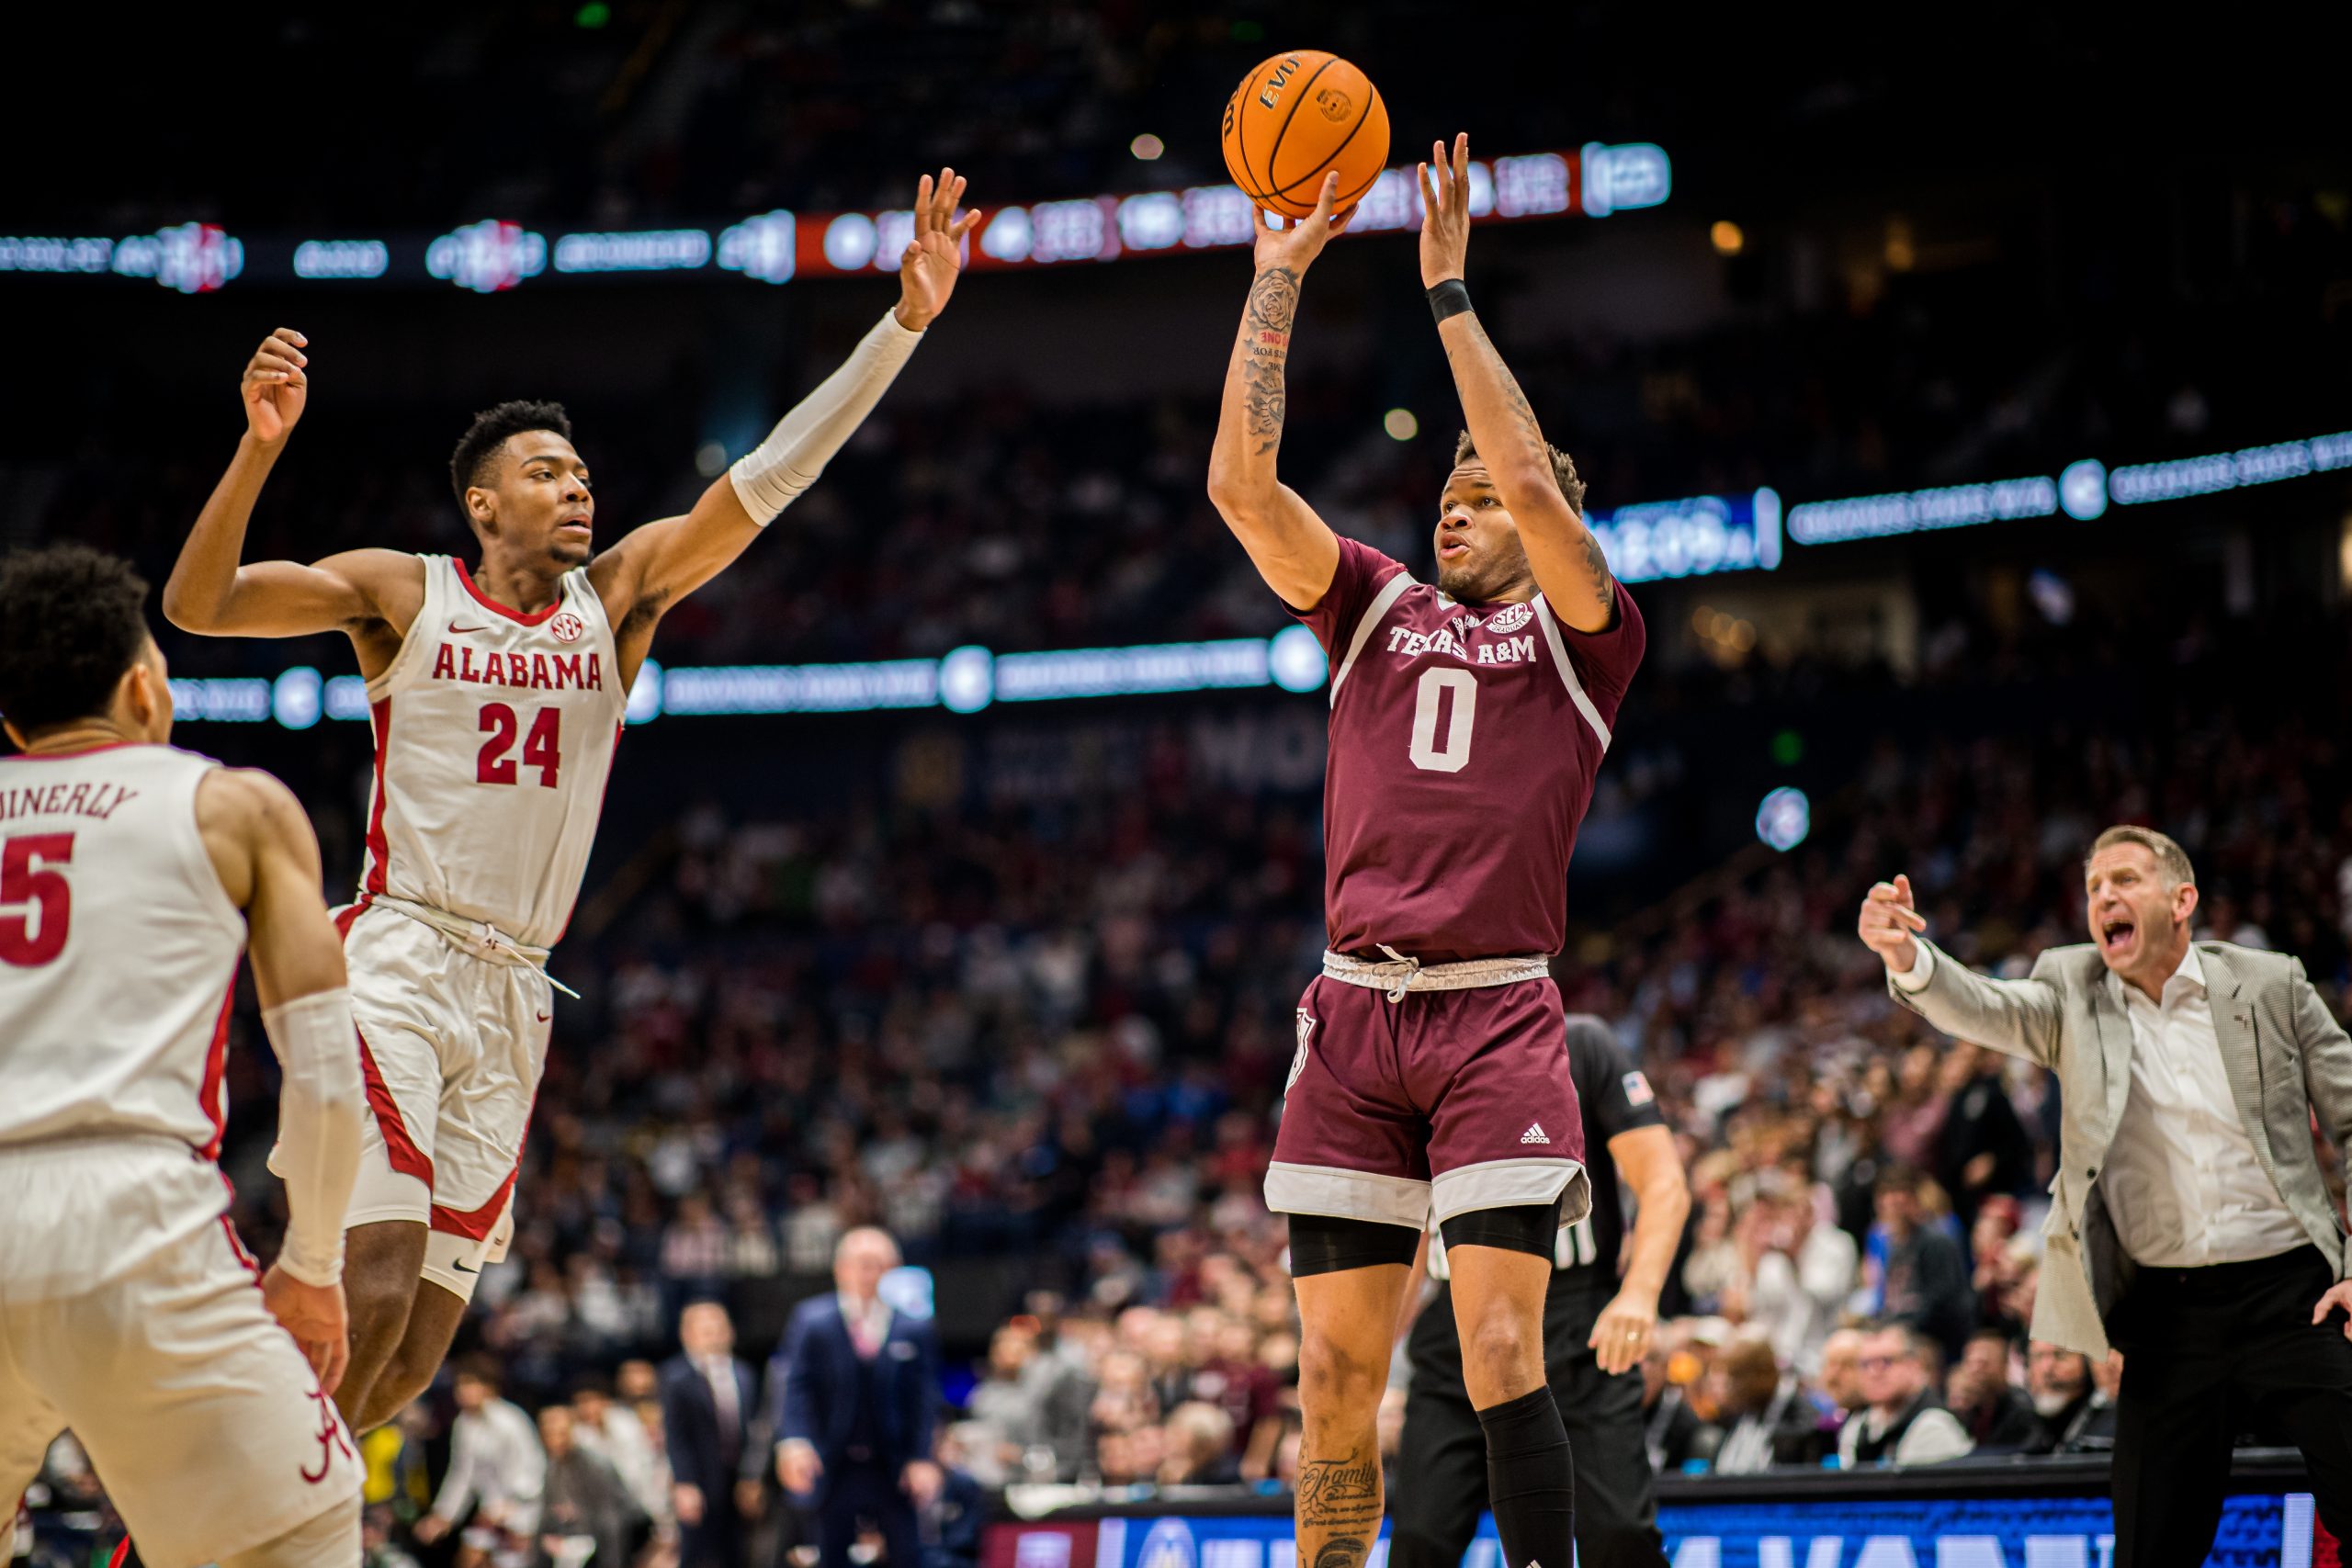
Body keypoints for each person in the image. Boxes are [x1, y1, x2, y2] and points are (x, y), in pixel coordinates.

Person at [159, 170, 982, 1435]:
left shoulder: (621, 598)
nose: (578, 485)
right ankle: (187, 1526)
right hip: (398, 957)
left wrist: (904, 324)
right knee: (365, 1288)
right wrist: (258, 449)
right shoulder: (404, 589)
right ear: (484, 503)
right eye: (548, 471)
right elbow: (199, 605)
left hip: (520, 987)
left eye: (584, 470)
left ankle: (258, 1509)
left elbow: (769, 480)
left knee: (412, 1357)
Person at [1206, 136, 1645, 1568]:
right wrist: (1276, 281)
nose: (1455, 505)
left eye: (1480, 497)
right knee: (1334, 1380)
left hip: (1496, 1009)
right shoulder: (1377, 607)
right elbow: (1241, 487)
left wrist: (1448, 293)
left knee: (1505, 1343)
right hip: (1349, 1012)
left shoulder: (1589, 632)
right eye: (1444, 496)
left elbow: (1523, 466)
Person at [0, 544, 368, 1567]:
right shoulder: (233, 805)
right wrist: (310, 1265)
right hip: (131, 1217)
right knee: (309, 1519)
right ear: (142, 686)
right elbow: (328, 1078)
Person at [1860, 827, 2352, 1564]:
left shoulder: (2271, 981)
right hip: (2166, 1311)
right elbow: (1988, 1007)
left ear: (2182, 899)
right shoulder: (2072, 987)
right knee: (2151, 1545)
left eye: (2124, 879)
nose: (2104, 898)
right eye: (2093, 887)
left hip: (2294, 1292)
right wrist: (1905, 955)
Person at [1392, 1019, 1688, 1568]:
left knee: (1620, 1538)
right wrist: (1377, 1357)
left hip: (1578, 1319)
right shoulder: (1409, 1060)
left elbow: (1664, 1181)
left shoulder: (1580, 1044)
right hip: (1456, 1323)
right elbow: (1406, 1230)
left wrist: (1639, 1295)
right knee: (1418, 1543)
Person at [772, 1228, 942, 1568]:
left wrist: (922, 1456)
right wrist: (794, 1441)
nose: (870, 1274)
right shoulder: (812, 1320)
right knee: (831, 1554)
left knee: (909, 1554)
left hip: (891, 1464)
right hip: (834, 1462)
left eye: (880, 1265)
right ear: (841, 1268)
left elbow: (923, 1398)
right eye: (863, 1264)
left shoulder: (914, 1326)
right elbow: (795, 1385)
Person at [660, 1302, 763, 1568]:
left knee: (739, 1551)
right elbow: (676, 1435)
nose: (715, 1337)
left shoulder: (744, 1374)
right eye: (707, 1331)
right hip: (700, 1478)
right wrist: (685, 1483)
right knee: (697, 1553)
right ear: (688, 1335)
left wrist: (752, 1476)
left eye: (720, 1329)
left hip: (737, 1477)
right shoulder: (675, 1377)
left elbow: (755, 1430)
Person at [415, 1360, 546, 1564]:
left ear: (488, 1387)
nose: (462, 1391)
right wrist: (444, 1515)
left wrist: (512, 1505)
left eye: (469, 1384)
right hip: (489, 1510)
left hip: (521, 1512)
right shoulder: (464, 1424)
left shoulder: (511, 1421)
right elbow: (461, 1474)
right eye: (459, 1385)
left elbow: (532, 1468)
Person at [1871, 1165, 1974, 1363]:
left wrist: (1899, 1331)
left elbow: (1942, 1305)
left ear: (1914, 1199)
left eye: (1899, 1194)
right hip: (1902, 1334)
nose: (1892, 1202)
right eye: (1886, 1195)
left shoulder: (1935, 1242)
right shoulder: (1893, 1246)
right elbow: (1891, 1303)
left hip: (1933, 1343)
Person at [1835, 1325, 1973, 1468]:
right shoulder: (1857, 1425)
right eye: (1866, 1364)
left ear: (1914, 1365)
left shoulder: (1933, 1427)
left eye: (1886, 1361)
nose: (1874, 1373)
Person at [534, 1404, 642, 1568]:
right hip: (574, 1541)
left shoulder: (596, 1465)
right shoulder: (553, 1468)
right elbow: (547, 1517)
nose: (557, 1441)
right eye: (550, 1434)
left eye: (562, 1433)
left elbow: (612, 1521)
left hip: (615, 1539)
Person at [1944, 1328, 2038, 1451]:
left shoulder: (2022, 1414)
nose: (1974, 1370)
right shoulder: (1967, 1411)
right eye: (1969, 1362)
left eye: (1983, 1363)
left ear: (2004, 1367)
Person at [2021, 1340, 2113, 1454]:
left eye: (2060, 1355)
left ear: (2087, 1363)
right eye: (2038, 1357)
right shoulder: (2023, 1428)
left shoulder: (2106, 1435)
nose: (2047, 1369)